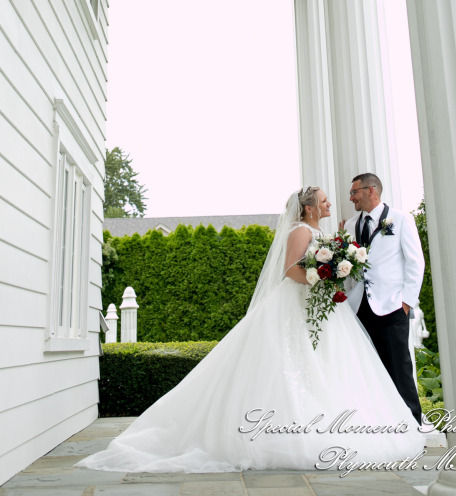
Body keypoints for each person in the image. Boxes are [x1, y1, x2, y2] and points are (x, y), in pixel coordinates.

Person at [79, 186, 425, 474]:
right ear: (307, 208)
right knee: (293, 362)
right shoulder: (302, 231)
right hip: (297, 304)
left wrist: (331, 274)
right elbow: (291, 269)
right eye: (322, 200)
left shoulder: (322, 233)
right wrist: (322, 275)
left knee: (330, 365)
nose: (329, 204)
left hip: (321, 306)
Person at [344, 173, 425, 424]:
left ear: (371, 191)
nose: (351, 197)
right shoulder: (349, 225)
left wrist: (407, 302)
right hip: (358, 306)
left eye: (355, 192)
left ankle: (413, 422)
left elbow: (415, 262)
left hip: (392, 306)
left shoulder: (400, 219)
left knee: (399, 367)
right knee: (369, 368)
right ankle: (382, 421)